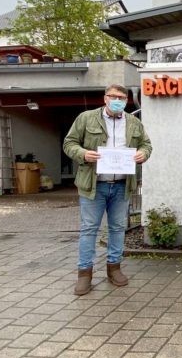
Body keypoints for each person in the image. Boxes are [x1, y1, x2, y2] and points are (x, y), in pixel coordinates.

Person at [63, 84, 152, 296]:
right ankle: (84, 274)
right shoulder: (86, 118)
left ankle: (114, 268)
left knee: (118, 228)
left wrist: (143, 153)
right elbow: (69, 143)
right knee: (89, 229)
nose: (118, 100)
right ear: (105, 98)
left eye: (122, 97)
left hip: (122, 185)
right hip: (93, 185)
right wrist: (83, 153)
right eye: (114, 96)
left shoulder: (133, 122)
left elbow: (147, 145)